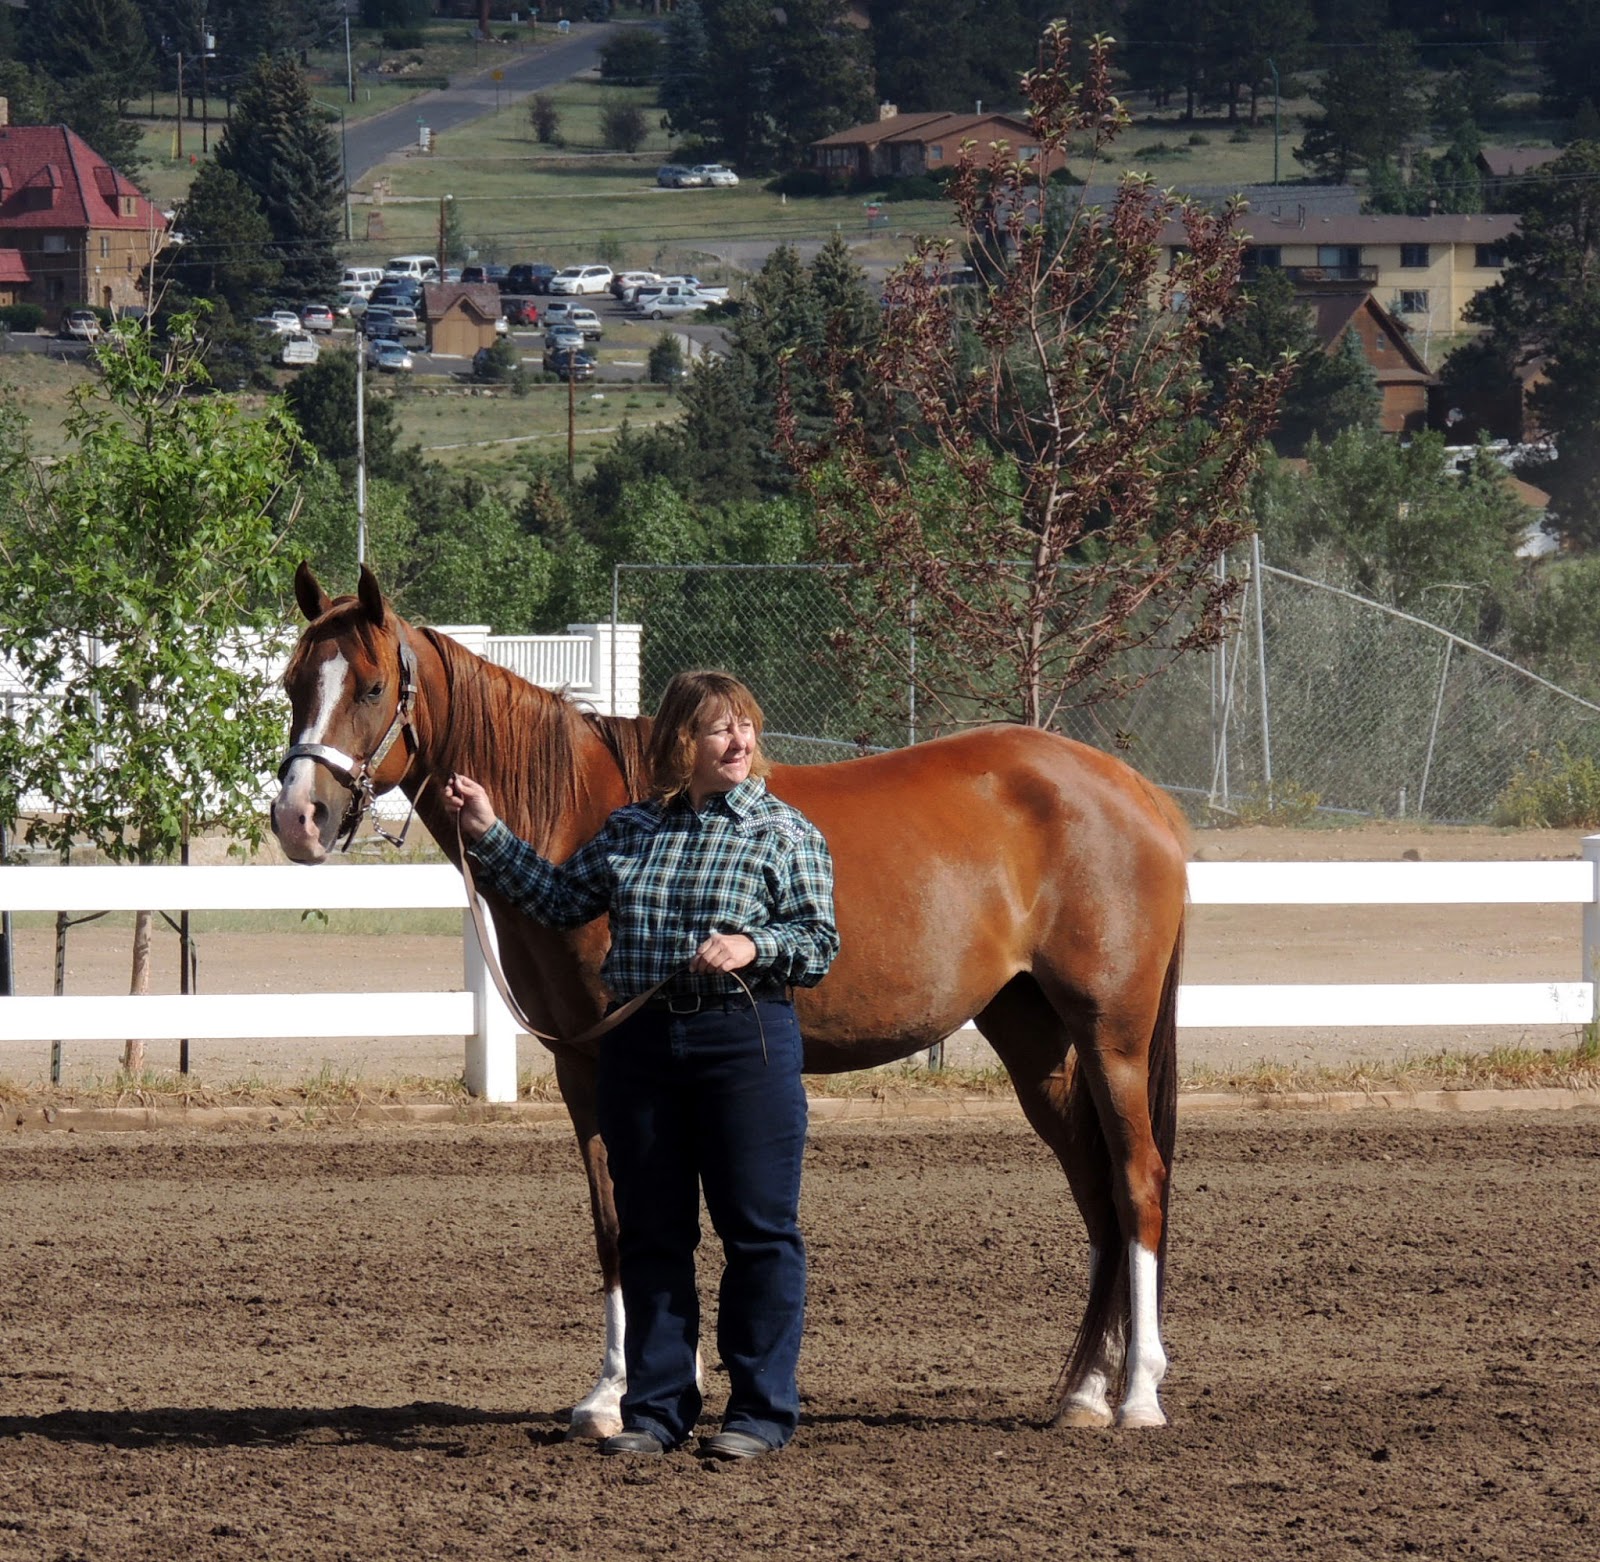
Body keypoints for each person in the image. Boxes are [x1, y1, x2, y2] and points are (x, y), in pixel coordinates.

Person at [442, 669, 839, 1461]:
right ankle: (657, 1410)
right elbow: (556, 900)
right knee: (652, 1234)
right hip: (642, 1049)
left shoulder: (785, 834)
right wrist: (489, 833)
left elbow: (820, 943)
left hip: (744, 1041)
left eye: (746, 728)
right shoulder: (630, 831)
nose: (739, 742)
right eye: (720, 730)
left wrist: (758, 944)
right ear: (680, 746)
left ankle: (760, 1412)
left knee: (758, 1232)